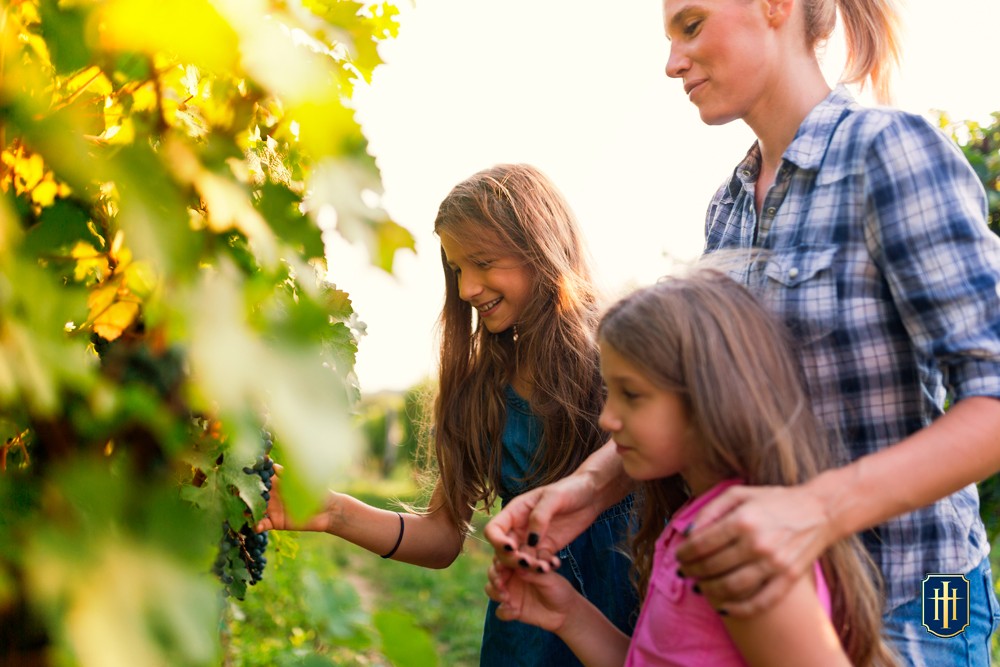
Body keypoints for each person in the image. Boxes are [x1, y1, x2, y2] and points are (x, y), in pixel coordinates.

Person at [485, 1, 1000, 664]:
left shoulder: (889, 155)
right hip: (787, 597)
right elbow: (694, 399)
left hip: (918, 592)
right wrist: (586, 488)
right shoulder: (727, 208)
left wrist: (816, 509)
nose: (672, 63)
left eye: (691, 26)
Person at [257, 163, 638, 665]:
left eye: (483, 262)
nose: (466, 290)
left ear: (541, 247)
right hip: (526, 638)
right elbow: (441, 537)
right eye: (457, 269)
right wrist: (333, 513)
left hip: (630, 616)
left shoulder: (624, 355)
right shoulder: (482, 388)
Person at [485, 270, 898, 666]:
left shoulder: (738, 547)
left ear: (709, 398)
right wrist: (568, 614)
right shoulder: (693, 523)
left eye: (632, 394)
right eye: (610, 393)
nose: (607, 419)